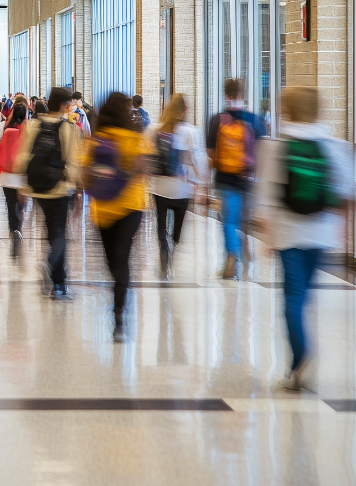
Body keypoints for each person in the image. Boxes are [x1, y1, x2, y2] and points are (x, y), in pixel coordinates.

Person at [254, 87, 350, 391]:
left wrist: (266, 236)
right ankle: (300, 356)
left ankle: (300, 359)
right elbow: (347, 190)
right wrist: (343, 227)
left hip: (288, 233)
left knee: (293, 297)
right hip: (321, 233)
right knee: (304, 294)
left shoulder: (275, 147)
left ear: (287, 111)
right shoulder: (334, 146)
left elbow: (266, 196)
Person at [81, 92, 150, 342]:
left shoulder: (96, 140)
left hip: (103, 210)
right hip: (131, 206)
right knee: (123, 259)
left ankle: (119, 307)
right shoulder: (134, 138)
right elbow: (143, 167)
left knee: (113, 262)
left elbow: (84, 176)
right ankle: (119, 315)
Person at [17, 87, 81, 299]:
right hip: (60, 188)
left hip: (38, 189)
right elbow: (72, 161)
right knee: (59, 233)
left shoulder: (33, 124)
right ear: (64, 105)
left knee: (52, 231)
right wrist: (77, 188)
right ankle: (54, 272)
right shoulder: (69, 128)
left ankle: (58, 278)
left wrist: (22, 186)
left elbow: (24, 156)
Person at [206, 77, 266, 279]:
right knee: (243, 219)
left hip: (225, 178)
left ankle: (232, 254)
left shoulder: (217, 119)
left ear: (226, 93)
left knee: (229, 220)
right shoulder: (254, 119)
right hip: (248, 179)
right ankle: (244, 249)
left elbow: (210, 153)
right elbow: (262, 151)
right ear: (242, 93)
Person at [145, 93, 207, 278]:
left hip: (160, 187)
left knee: (161, 227)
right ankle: (172, 249)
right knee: (177, 232)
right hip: (183, 188)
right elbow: (198, 161)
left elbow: (147, 156)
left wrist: (146, 181)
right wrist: (200, 183)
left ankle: (164, 254)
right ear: (185, 110)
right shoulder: (191, 132)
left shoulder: (154, 129)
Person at [0, 101, 28, 256]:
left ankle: (14, 231)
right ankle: (18, 228)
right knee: (21, 206)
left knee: (10, 205)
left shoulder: (2, 127)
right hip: (23, 176)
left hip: (6, 175)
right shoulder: (29, 129)